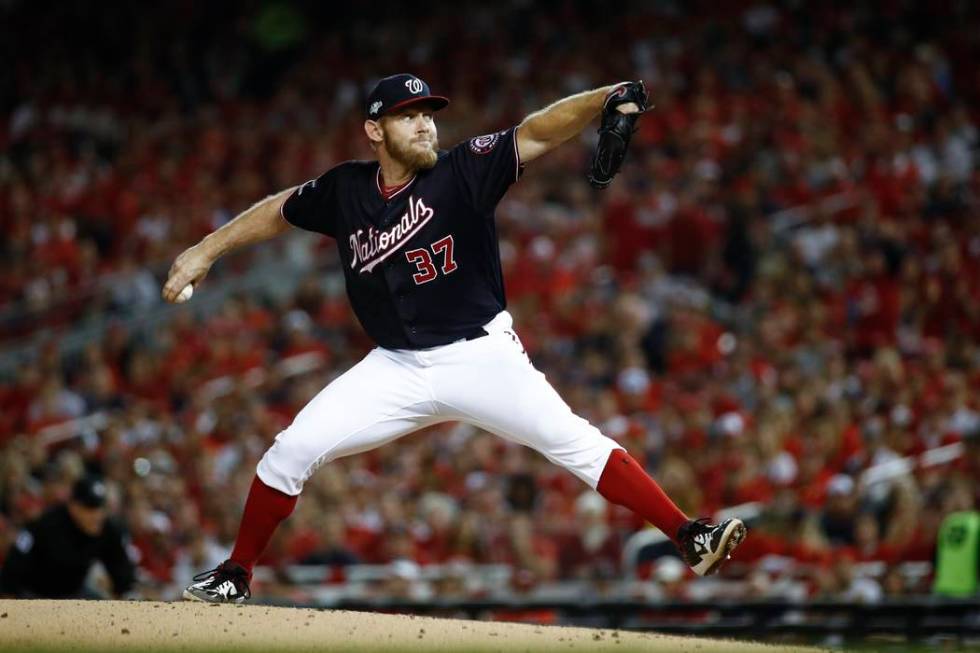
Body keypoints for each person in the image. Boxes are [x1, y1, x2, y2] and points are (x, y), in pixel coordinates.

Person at [164, 74, 746, 603]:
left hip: (480, 356)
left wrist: (601, 99)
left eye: (430, 114)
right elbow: (278, 211)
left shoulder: (463, 170)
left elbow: (535, 133)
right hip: (394, 366)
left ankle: (690, 535)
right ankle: (235, 573)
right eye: (408, 115)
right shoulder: (345, 191)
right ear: (375, 130)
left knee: (576, 443)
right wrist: (204, 250)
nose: (425, 124)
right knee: (289, 451)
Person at [0, 476, 135, 598]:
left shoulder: (108, 528)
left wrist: (122, 591)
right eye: (89, 508)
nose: (97, 515)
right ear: (73, 506)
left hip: (73, 594)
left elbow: (121, 571)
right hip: (34, 595)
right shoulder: (45, 525)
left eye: (100, 507)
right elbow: (14, 564)